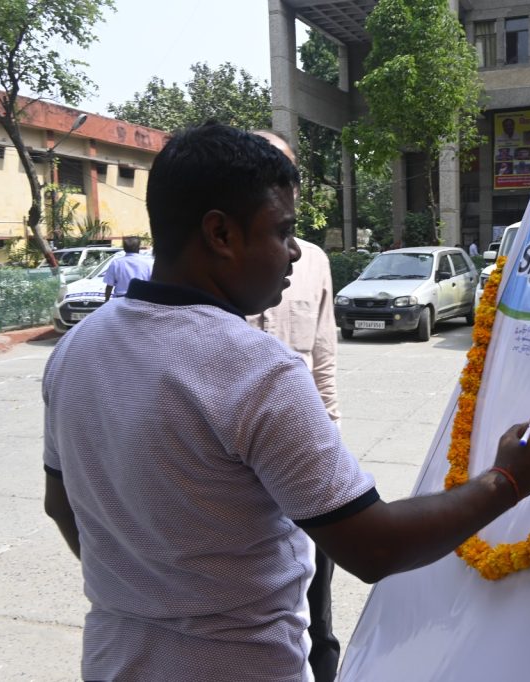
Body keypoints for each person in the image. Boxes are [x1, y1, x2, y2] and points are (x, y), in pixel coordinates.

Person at [42, 122, 530, 681]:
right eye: (282, 231)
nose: (294, 253)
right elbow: (372, 546)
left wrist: (148, 592)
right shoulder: (255, 367)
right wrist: (506, 481)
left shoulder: (76, 349)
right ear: (220, 234)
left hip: (113, 660)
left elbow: (59, 503)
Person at [247, 130, 342, 682]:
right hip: (237, 463)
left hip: (307, 456)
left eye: (284, 173)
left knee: (316, 612)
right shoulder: (216, 263)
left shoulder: (312, 261)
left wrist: (332, 440)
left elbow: (324, 358)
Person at [102, 236, 153, 301]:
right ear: (138, 247)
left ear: (124, 248)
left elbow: (109, 285)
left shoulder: (116, 263)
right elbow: (152, 284)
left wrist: (106, 301)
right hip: (141, 300)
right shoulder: (148, 263)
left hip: (120, 300)